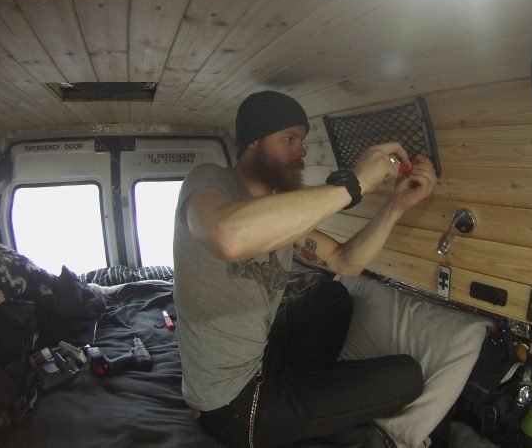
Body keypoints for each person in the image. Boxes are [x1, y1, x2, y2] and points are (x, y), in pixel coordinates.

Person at [173, 91, 437, 447]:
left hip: (261, 355)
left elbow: (346, 261)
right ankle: (303, 402)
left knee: (331, 295)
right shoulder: (209, 181)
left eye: (302, 140)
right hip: (230, 401)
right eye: (290, 138)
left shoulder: (277, 211)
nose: (302, 151)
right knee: (406, 377)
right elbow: (229, 238)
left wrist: (395, 206)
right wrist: (354, 183)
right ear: (253, 141)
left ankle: (304, 392)